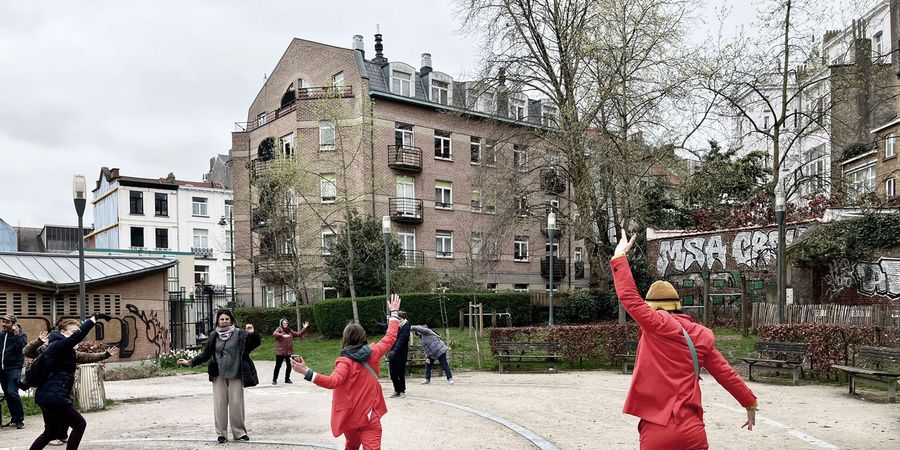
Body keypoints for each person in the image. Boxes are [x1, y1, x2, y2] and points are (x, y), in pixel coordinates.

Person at [611, 228, 757, 449]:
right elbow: (726, 374)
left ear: (653, 308)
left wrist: (619, 257)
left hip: (657, 430)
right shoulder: (699, 336)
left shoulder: (655, 324)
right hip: (692, 431)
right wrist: (750, 403)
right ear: (678, 305)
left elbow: (629, 297)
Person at [291, 294, 402, 450]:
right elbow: (390, 337)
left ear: (345, 339)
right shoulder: (374, 351)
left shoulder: (344, 362)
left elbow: (332, 382)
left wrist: (307, 372)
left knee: (351, 446)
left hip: (351, 418)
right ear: (363, 337)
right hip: (371, 416)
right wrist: (394, 313)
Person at [23, 330, 119, 446]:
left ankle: (62, 436)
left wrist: (105, 355)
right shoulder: (48, 349)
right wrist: (38, 341)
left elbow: (86, 357)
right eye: (71, 332)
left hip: (47, 395)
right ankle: (62, 436)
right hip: (54, 394)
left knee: (50, 431)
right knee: (79, 424)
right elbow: (27, 351)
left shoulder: (70, 352)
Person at [178, 309, 260, 444]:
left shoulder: (239, 334)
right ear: (218, 321)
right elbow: (205, 355)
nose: (224, 321)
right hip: (218, 374)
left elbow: (252, 345)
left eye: (227, 319)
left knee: (236, 404)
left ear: (231, 320)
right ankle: (221, 434)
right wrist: (190, 362)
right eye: (222, 319)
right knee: (220, 404)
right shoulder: (213, 335)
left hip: (236, 373)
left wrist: (252, 334)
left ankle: (239, 432)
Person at [1, 313, 27, 430]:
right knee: (7, 394)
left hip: (14, 368)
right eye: (3, 322)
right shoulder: (1, 335)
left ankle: (20, 419)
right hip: (2, 368)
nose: (4, 324)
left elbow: (21, 349)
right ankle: (14, 419)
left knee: (12, 392)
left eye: (7, 322)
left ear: (13, 324)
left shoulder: (21, 335)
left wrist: (16, 335)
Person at [272, 318, 309, 385]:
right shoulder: (279, 329)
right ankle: (274, 379)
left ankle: (287, 379)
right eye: (284, 323)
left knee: (289, 366)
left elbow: (298, 334)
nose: (285, 324)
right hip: (280, 352)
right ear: (281, 324)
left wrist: (304, 328)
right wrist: (282, 335)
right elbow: (274, 334)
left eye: (286, 323)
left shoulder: (290, 331)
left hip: (288, 352)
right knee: (278, 366)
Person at [387, 311, 411, 398]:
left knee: (400, 373)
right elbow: (387, 327)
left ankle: (402, 390)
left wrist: (394, 351)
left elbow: (401, 340)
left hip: (401, 353)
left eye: (399, 319)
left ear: (403, 319)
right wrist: (377, 324)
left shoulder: (406, 327)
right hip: (393, 352)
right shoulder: (396, 326)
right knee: (392, 373)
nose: (397, 320)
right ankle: (396, 390)